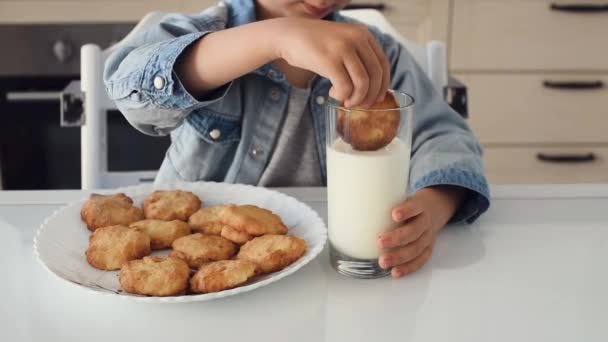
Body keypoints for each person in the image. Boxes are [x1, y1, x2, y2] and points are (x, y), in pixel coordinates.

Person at [104, 0, 490, 278]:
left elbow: (444, 135)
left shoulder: (377, 55)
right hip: (191, 274)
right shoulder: (207, 34)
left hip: (318, 267)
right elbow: (130, 91)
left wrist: (435, 203)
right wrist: (273, 38)